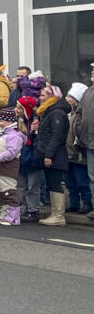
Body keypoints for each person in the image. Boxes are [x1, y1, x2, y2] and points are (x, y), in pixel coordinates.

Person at [37, 83, 75, 227]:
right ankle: (55, 213)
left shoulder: (57, 113)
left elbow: (57, 136)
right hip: (50, 153)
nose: (40, 98)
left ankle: (59, 214)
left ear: (52, 97)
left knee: (55, 182)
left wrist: (49, 155)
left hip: (55, 154)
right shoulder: (49, 112)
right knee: (51, 182)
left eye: (43, 95)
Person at [0, 108, 27, 226]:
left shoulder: (14, 136)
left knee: (9, 192)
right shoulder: (3, 134)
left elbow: (11, 153)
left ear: (9, 121)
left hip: (8, 168)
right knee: (2, 192)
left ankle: (13, 217)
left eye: (2, 120)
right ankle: (5, 214)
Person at [64, 82, 92, 215]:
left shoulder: (78, 115)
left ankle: (87, 203)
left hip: (78, 152)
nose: (67, 98)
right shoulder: (70, 114)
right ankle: (74, 203)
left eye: (70, 96)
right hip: (68, 151)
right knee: (70, 181)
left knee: (82, 180)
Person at [73, 64, 94, 220]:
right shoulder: (88, 92)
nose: (92, 72)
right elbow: (79, 113)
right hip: (89, 142)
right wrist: (79, 131)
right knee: (92, 177)